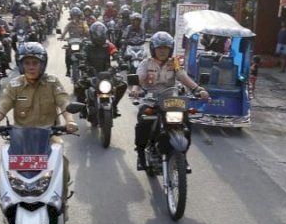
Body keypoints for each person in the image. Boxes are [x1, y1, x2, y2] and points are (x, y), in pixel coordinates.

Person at [0, 42, 78, 213]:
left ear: (42, 64)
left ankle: (61, 199)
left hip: (48, 136)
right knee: (5, 165)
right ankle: (9, 200)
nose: (31, 67)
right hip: (21, 138)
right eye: (27, 63)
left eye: (35, 63)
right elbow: (3, 105)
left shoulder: (52, 82)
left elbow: (64, 102)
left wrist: (70, 121)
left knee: (62, 163)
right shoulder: (14, 85)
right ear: (20, 65)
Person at [129, 31, 210, 171]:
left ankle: (182, 156)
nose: (162, 51)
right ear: (153, 49)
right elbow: (140, 77)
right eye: (159, 48)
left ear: (170, 49)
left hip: (171, 99)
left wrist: (197, 89)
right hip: (151, 98)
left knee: (186, 122)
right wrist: (135, 89)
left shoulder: (175, 63)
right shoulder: (146, 63)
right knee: (143, 121)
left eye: (165, 48)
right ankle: (141, 153)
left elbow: (183, 77)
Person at [75, 22, 125, 118]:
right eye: (96, 35)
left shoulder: (109, 45)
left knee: (122, 85)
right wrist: (82, 63)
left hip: (107, 73)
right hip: (90, 73)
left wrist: (121, 61)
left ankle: (114, 105)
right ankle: (83, 109)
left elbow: (115, 53)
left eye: (101, 34)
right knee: (79, 86)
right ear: (92, 34)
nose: (99, 37)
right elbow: (83, 55)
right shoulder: (87, 45)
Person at [59, 7, 89, 77]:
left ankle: (87, 69)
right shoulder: (69, 24)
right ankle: (68, 70)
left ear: (79, 16)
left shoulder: (83, 23)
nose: (75, 18)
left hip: (81, 42)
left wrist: (87, 34)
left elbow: (87, 30)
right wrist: (61, 37)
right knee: (67, 54)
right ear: (71, 16)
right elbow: (64, 32)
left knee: (86, 54)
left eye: (76, 16)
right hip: (71, 42)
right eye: (73, 16)